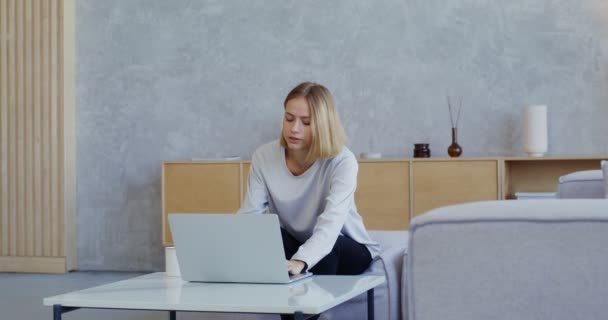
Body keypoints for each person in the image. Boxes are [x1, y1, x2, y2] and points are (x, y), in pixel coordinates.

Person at [238, 82, 380, 280]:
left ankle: (303, 312)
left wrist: (302, 261)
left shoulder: (342, 161)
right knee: (266, 236)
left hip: (345, 247)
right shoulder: (264, 156)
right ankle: (287, 308)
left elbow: (330, 226)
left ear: (323, 125)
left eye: (305, 122)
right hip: (298, 242)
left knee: (327, 251)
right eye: (289, 119)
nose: (294, 129)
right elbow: (250, 217)